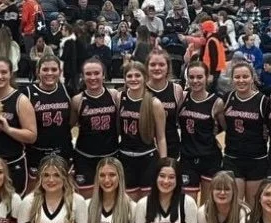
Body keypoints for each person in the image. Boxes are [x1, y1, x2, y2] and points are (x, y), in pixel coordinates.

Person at [0, 56, 38, 194]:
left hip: (12, 163)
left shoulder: (21, 100)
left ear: (11, 74)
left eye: (4, 72)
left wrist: (8, 129)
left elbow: (32, 136)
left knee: (13, 205)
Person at [118, 61, 167, 200]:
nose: (133, 79)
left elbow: (161, 137)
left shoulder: (154, 103)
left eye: (137, 75)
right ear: (124, 78)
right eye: (129, 76)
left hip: (148, 158)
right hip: (125, 158)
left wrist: (163, 164)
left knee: (147, 203)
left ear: (145, 77)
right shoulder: (119, 97)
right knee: (129, 203)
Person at [71, 58, 120, 197]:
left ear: (103, 75)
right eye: (88, 74)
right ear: (83, 76)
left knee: (109, 196)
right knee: (86, 198)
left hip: (110, 156)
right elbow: (70, 126)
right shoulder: (77, 100)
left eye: (97, 73)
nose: (93, 77)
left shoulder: (114, 95)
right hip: (85, 157)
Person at [221, 61, 268, 203]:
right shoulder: (227, 98)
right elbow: (221, 125)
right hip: (233, 158)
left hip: (256, 159)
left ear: (253, 78)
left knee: (252, 206)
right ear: (232, 79)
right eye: (237, 77)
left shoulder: (263, 101)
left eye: (245, 76)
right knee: (235, 204)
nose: (241, 80)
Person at [24, 55, 72, 192]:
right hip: (36, 154)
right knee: (35, 194)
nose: (49, 73)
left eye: (54, 69)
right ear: (37, 71)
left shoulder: (67, 90)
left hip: (62, 151)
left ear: (60, 72)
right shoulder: (27, 92)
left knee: (62, 192)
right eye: (45, 69)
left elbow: (73, 121)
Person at [178, 62, 224, 198]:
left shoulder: (216, 102)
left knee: (208, 203)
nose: (195, 81)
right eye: (191, 77)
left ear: (207, 77)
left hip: (210, 158)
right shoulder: (182, 97)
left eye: (199, 77)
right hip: (187, 157)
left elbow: (225, 130)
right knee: (188, 202)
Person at [145, 49, 184, 159]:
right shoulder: (141, 90)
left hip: (172, 146)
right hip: (146, 149)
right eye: (153, 64)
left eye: (161, 64)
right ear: (147, 68)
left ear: (168, 67)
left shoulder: (177, 90)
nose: (157, 68)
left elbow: (179, 120)